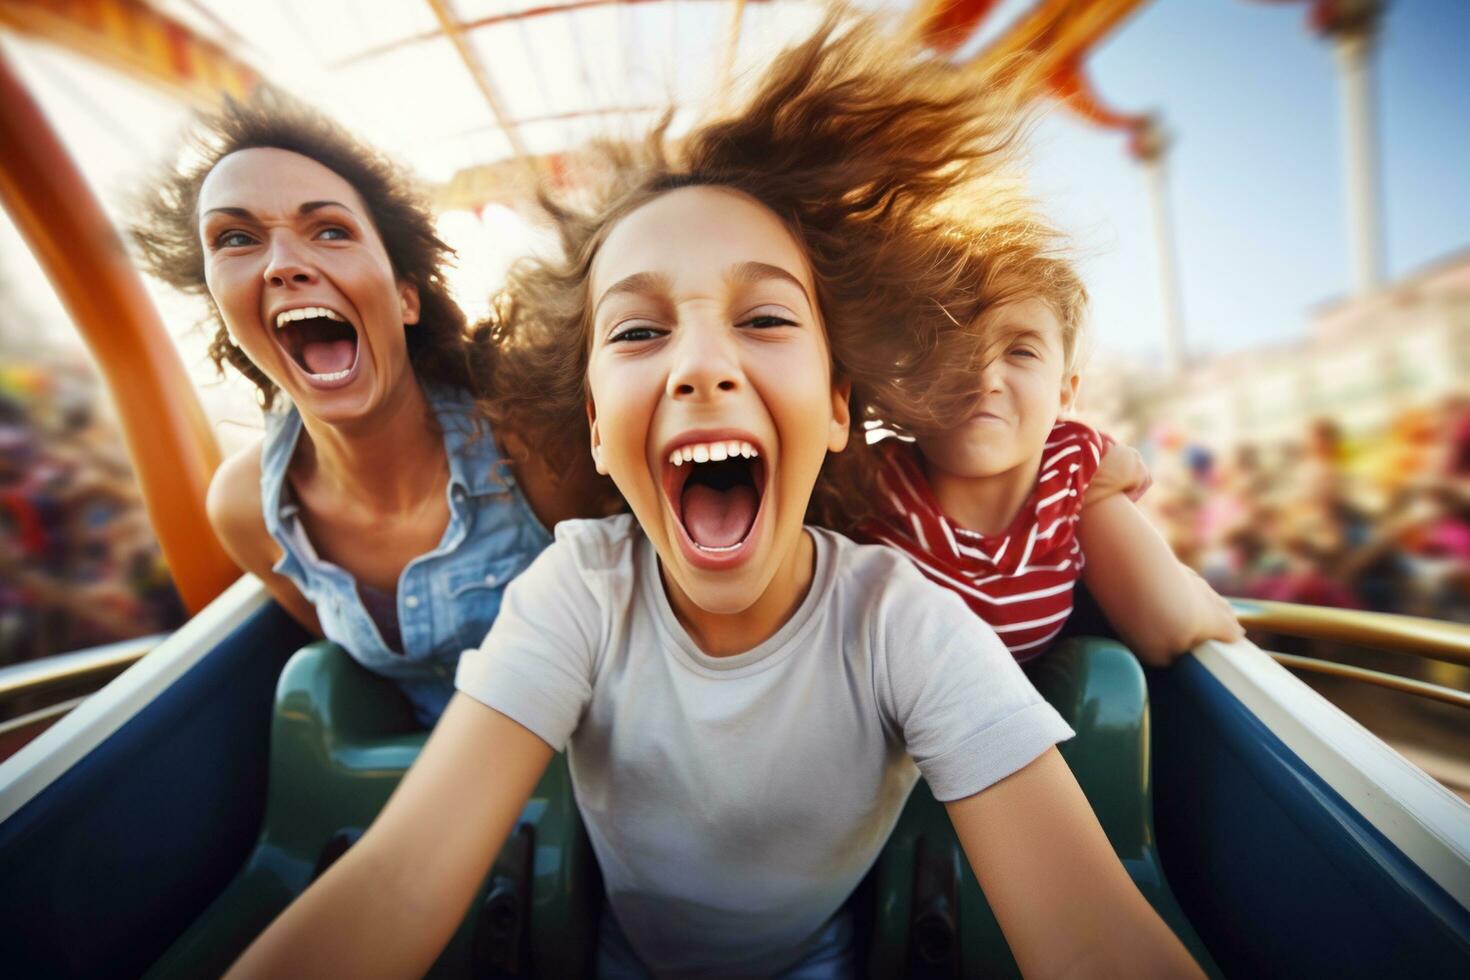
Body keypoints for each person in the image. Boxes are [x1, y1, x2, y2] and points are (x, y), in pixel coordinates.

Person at [228, 16, 1204, 978]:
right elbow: (399, 880)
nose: (701, 364)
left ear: (834, 405)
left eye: (766, 316)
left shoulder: (902, 622)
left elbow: (1090, 934)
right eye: (640, 331)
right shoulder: (580, 591)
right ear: (600, 431)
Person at [131, 94, 611, 725]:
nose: (284, 264)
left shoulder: (529, 444)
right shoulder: (246, 508)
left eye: (329, 230)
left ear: (406, 297)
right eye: (237, 238)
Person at [860, 251, 1243, 665]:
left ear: (1065, 391)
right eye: (947, 343)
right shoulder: (863, 485)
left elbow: (1167, 627)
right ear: (908, 377)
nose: (982, 377)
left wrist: (1194, 597)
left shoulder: (1072, 473)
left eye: (1021, 352)